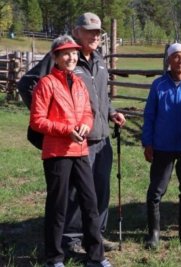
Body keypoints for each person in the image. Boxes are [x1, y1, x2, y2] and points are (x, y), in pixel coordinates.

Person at [17, 12, 126, 254]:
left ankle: (95, 235)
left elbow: (101, 97)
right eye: (89, 31)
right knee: (74, 194)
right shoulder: (64, 58)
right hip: (74, 141)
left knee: (99, 190)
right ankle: (72, 239)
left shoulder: (99, 60)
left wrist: (112, 112)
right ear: (76, 32)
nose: (95, 36)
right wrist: (49, 113)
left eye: (98, 32)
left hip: (102, 136)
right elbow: (27, 83)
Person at [30, 35, 111, 267]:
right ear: (55, 57)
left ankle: (95, 256)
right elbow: (37, 121)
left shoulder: (78, 83)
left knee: (89, 202)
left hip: (80, 150)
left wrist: (86, 122)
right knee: (58, 205)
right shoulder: (46, 83)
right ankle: (54, 258)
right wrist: (67, 130)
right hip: (57, 153)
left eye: (74, 53)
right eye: (66, 53)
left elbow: (87, 110)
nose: (72, 57)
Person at [141, 43, 181, 249]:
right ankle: (154, 234)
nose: (180, 61)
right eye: (176, 57)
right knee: (156, 192)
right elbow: (149, 116)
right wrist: (147, 142)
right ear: (168, 60)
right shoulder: (158, 85)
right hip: (162, 146)